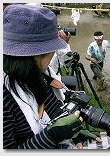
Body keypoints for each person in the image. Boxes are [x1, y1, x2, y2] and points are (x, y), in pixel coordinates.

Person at [3, 4, 102, 149]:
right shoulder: (5, 99)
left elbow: (55, 112)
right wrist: (52, 135)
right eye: (53, 49)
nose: (54, 53)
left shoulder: (40, 74)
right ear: (37, 54)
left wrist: (73, 134)